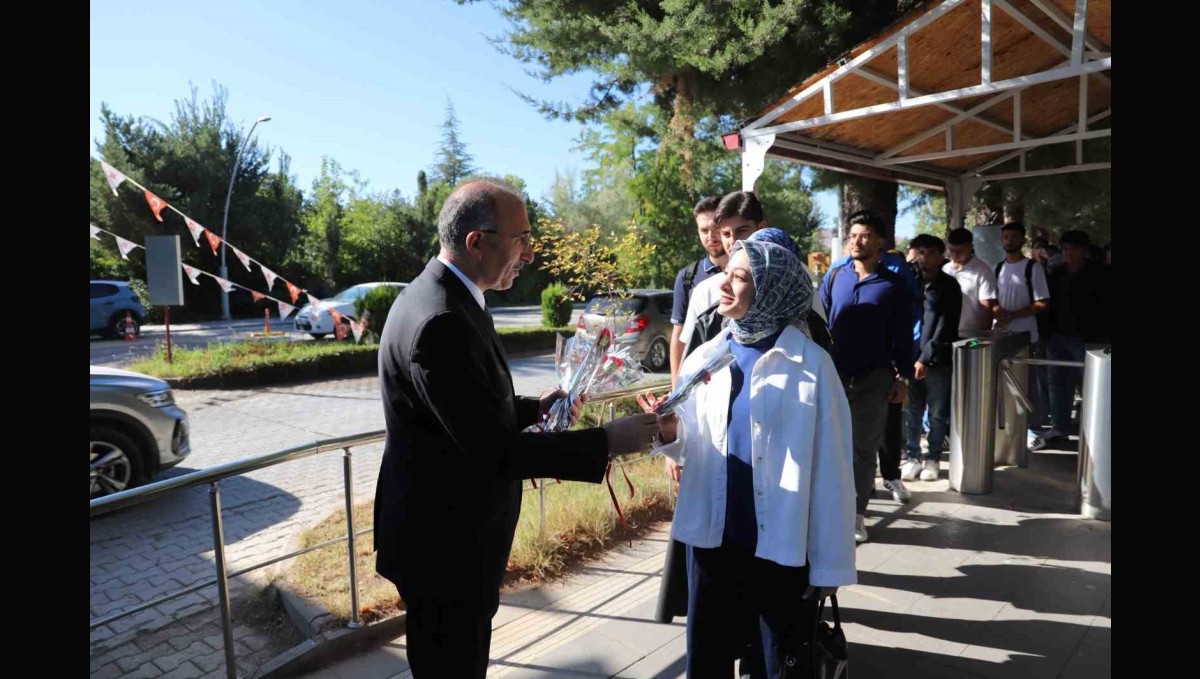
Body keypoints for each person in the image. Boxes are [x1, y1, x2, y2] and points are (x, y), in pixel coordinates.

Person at [372, 179, 661, 677]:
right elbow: (493, 453)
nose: (528, 253)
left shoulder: (446, 297)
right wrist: (610, 440)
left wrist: (535, 405)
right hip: (445, 551)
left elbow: (466, 409)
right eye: (520, 239)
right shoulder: (439, 319)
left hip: (446, 541)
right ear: (476, 241)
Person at [639, 238, 856, 678]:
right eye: (727, 273)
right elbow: (692, 445)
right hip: (714, 542)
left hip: (781, 548)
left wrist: (830, 562)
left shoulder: (812, 365)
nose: (725, 285)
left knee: (776, 663)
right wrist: (667, 432)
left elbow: (834, 471)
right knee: (708, 660)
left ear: (772, 289)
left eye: (741, 277)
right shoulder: (706, 356)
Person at [820, 210, 914, 543]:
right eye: (853, 235)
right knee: (832, 447)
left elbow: (903, 335)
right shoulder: (834, 278)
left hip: (875, 379)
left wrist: (901, 378)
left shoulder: (894, 285)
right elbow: (820, 325)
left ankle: (856, 516)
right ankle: (832, 510)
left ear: (880, 242)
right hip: (834, 376)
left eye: (864, 235)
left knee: (862, 449)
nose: (857, 241)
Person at [1036, 230, 1110, 450]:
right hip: (1058, 336)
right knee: (1057, 384)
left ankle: (1093, 428)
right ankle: (1059, 427)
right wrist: (1046, 334)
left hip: (1087, 339)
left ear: (1085, 250)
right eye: (1066, 249)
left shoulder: (1100, 274)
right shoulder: (1056, 273)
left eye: (1074, 249)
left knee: (1091, 384)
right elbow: (1048, 305)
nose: (1069, 254)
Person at [901, 235, 962, 482]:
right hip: (910, 358)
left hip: (936, 360)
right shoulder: (910, 283)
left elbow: (945, 327)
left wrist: (925, 358)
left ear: (940, 255)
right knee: (912, 412)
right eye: (920, 252)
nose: (923, 258)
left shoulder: (949, 285)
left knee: (937, 413)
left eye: (929, 253)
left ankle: (934, 458)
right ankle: (913, 457)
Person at [992, 222, 1052, 442]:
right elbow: (994, 298)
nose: (1010, 240)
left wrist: (1013, 315)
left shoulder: (1032, 268)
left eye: (1014, 237)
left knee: (1030, 384)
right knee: (1005, 384)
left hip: (1027, 336)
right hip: (1002, 336)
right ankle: (1009, 429)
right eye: (1006, 236)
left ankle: (1034, 430)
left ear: (1022, 240)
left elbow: (1042, 302)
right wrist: (998, 312)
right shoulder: (998, 267)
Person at [670, 196, 725, 385]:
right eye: (704, 230)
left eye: (716, 228)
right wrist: (675, 392)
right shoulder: (687, 277)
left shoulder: (748, 272)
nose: (711, 236)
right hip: (701, 382)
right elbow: (678, 338)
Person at [943, 227, 999, 339]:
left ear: (970, 248)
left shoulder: (982, 271)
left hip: (970, 335)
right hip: (946, 332)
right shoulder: (945, 269)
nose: (954, 255)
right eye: (951, 251)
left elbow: (987, 307)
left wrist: (982, 337)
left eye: (959, 251)